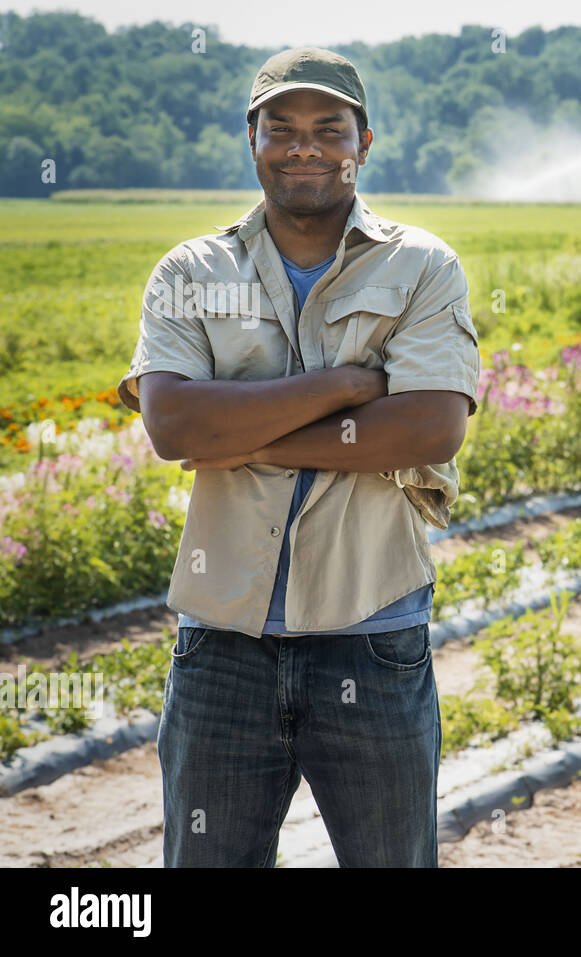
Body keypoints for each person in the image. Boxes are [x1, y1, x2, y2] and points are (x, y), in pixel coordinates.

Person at [115, 46, 480, 867]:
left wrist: (242, 433)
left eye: (328, 128)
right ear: (252, 139)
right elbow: (175, 428)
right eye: (281, 128)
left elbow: (429, 430)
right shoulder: (191, 270)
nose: (304, 146)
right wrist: (351, 384)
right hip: (223, 646)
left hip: (374, 635)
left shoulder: (421, 266)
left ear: (365, 142)